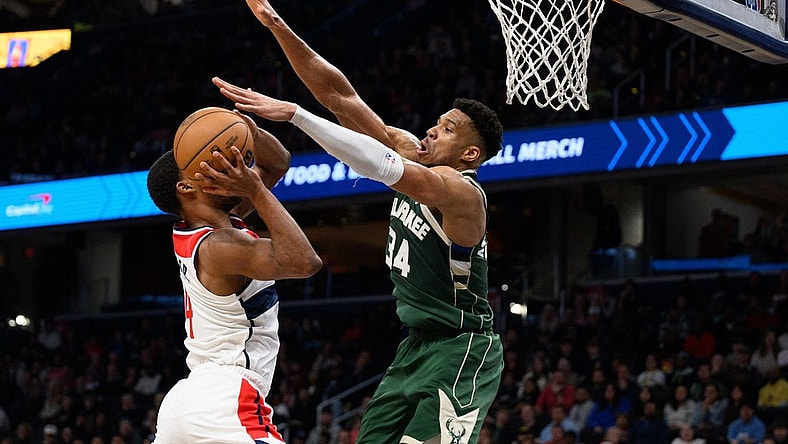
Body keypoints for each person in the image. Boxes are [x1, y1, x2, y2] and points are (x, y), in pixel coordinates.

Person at [215, 2, 506, 442]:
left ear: (470, 154)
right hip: (415, 346)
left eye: (446, 129)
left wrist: (296, 115)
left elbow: (381, 166)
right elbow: (340, 96)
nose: (429, 131)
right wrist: (278, 25)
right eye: (437, 123)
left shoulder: (463, 194)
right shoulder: (411, 151)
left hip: (462, 348)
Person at [146, 111, 323, 443]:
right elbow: (305, 262)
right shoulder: (220, 246)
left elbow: (279, 164)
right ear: (186, 187)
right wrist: (256, 190)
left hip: (189, 396)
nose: (221, 164)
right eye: (208, 164)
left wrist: (248, 131)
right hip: (224, 396)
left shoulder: (212, 224)